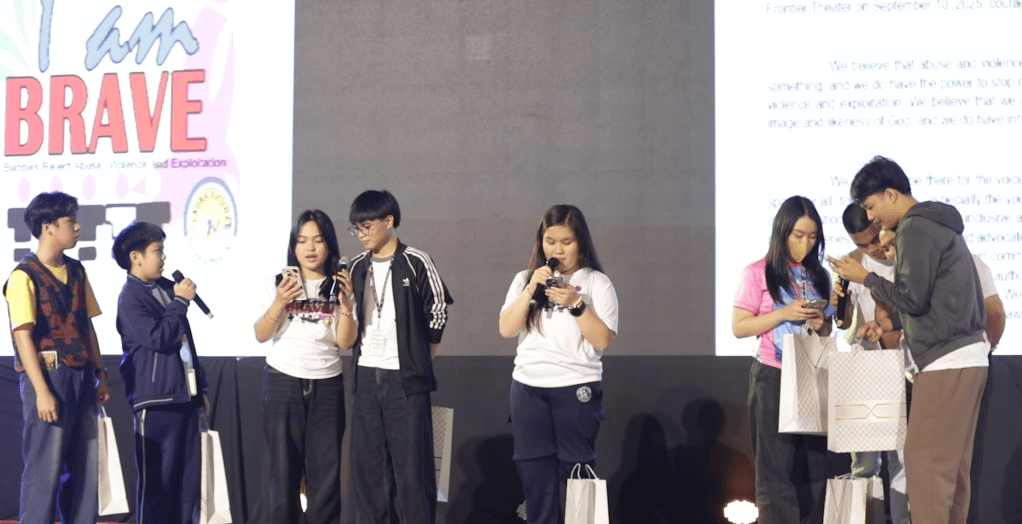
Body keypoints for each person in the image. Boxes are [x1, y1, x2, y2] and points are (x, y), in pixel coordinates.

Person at [829, 156, 987, 524]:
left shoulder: (914, 227)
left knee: (924, 464)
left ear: (890, 194)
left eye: (871, 207)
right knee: (951, 469)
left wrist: (866, 278)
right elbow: (933, 299)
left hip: (945, 360)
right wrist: (886, 324)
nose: (871, 218)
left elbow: (913, 298)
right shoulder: (938, 223)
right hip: (968, 357)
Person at [334, 190, 453, 524]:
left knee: (413, 472)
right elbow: (346, 336)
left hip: (405, 381)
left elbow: (438, 312)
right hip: (365, 378)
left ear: (389, 221)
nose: (362, 234)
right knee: (368, 473)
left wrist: (418, 360)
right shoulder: (356, 266)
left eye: (367, 226)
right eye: (356, 228)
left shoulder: (416, 260)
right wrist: (345, 305)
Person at [497, 205, 619, 524]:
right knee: (534, 474)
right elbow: (506, 329)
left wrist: (576, 304)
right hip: (528, 387)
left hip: (576, 386)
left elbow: (603, 340)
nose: (558, 250)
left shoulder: (597, 283)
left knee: (578, 469)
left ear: (581, 242)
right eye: (550, 241)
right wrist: (530, 288)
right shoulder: (524, 279)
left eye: (566, 242)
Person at [3, 191, 108, 524]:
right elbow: (22, 336)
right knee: (44, 467)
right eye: (70, 221)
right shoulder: (23, 276)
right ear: (47, 227)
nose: (77, 227)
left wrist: (100, 373)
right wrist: (41, 391)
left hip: (82, 375)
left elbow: (86, 326)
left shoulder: (77, 270)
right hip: (49, 377)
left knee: (86, 466)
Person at [732, 195, 833, 524]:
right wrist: (783, 313)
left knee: (814, 472)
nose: (806, 243)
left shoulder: (819, 275)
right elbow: (739, 326)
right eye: (798, 235)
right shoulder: (757, 272)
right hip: (773, 375)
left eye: (813, 237)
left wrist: (820, 323)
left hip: (811, 376)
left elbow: (826, 329)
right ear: (782, 232)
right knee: (775, 472)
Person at [253, 209, 347, 524]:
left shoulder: (338, 286)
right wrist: (280, 301)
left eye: (318, 240)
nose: (310, 248)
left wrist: (346, 304)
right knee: (283, 476)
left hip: (327, 381)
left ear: (329, 245)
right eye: (302, 240)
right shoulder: (277, 284)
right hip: (283, 380)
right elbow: (261, 335)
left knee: (326, 477)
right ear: (293, 246)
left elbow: (345, 341)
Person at [113, 221, 206, 524]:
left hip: (184, 397)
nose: (163, 256)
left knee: (186, 485)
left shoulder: (166, 288)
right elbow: (159, 338)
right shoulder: (130, 297)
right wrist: (180, 302)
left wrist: (200, 388)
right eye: (157, 250)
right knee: (157, 486)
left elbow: (185, 343)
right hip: (155, 401)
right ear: (135, 257)